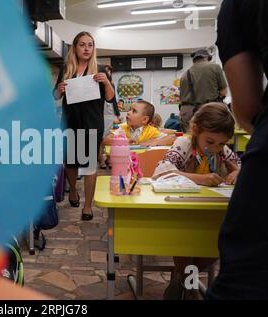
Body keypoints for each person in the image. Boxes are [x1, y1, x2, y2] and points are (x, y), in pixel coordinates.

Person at [207, 0, 268, 299]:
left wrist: (239, 171)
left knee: (247, 280)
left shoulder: (237, 7)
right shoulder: (183, 147)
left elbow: (247, 109)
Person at [152, 103, 240, 299]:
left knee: (219, 243)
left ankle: (180, 278)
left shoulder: (220, 149)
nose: (216, 148)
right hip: (183, 213)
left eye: (221, 143)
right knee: (184, 241)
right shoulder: (184, 144)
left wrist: (236, 171)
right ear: (195, 130)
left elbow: (241, 165)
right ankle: (188, 283)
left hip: (212, 213)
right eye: (210, 142)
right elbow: (161, 172)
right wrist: (202, 179)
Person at [53, 31, 115, 221]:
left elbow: (111, 98)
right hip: (71, 121)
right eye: (82, 44)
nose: (87, 48)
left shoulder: (101, 69)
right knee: (70, 163)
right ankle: (73, 191)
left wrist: (106, 83)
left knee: (89, 165)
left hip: (91, 123)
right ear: (75, 47)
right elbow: (55, 96)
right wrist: (60, 89)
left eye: (90, 45)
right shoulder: (67, 69)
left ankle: (87, 205)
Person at [179, 48, 228, 132]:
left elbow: (181, 98)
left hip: (187, 113)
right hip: (208, 111)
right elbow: (223, 92)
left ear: (194, 60)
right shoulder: (215, 67)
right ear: (207, 57)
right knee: (210, 138)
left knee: (190, 139)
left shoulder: (184, 74)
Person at [103, 100, 174, 147]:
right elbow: (106, 140)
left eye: (134, 111)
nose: (128, 112)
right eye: (130, 109)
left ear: (144, 119)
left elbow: (171, 139)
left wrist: (154, 142)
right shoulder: (122, 127)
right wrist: (125, 141)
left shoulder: (151, 131)